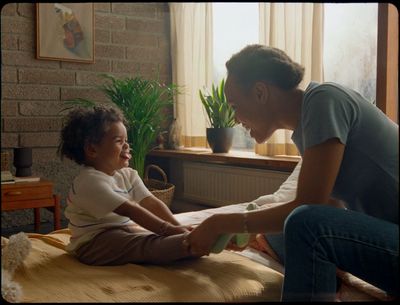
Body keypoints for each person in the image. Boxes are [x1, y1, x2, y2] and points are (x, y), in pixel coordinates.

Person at [187, 44, 399, 301]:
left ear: (260, 92)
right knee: (281, 235)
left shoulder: (324, 100)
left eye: (234, 105)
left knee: (302, 223)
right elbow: (329, 207)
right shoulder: (309, 126)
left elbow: (310, 209)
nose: (234, 118)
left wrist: (222, 221)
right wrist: (252, 229)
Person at [57, 105, 198, 266]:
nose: (126, 146)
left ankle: (188, 242)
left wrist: (179, 227)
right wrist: (171, 231)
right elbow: (131, 210)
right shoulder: (88, 181)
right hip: (93, 243)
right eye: (119, 141)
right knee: (144, 245)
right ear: (92, 149)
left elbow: (151, 203)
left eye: (126, 141)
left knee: (144, 236)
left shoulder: (128, 174)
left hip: (123, 232)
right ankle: (188, 246)